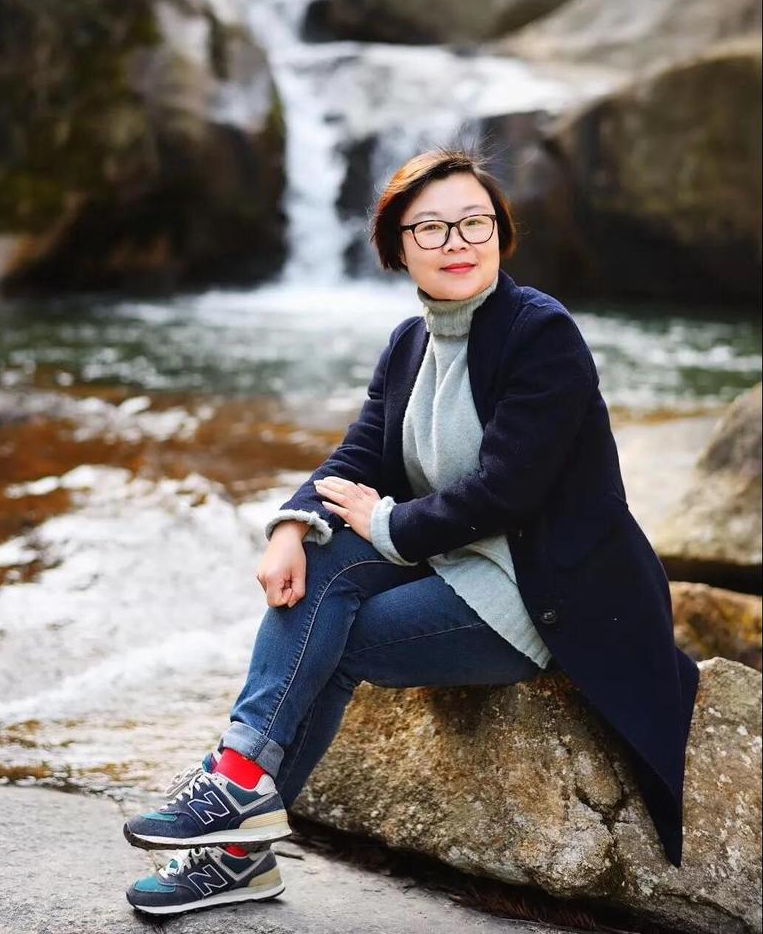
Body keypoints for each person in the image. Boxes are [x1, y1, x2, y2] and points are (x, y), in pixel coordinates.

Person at [123, 147, 699, 915]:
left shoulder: (539, 332)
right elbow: (357, 456)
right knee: (320, 559)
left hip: (541, 590)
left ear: (500, 233)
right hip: (452, 560)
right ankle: (238, 782)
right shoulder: (409, 343)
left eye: (473, 222)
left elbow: (508, 489)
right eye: (430, 227)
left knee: (335, 637)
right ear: (397, 247)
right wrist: (291, 525)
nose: (456, 242)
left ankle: (236, 842)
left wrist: (389, 522)